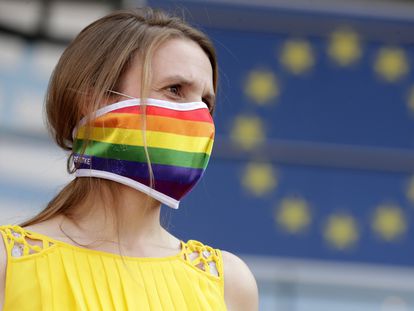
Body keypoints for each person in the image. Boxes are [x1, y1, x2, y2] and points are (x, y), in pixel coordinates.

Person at [0, 7, 258, 311]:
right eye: (175, 90)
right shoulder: (9, 266)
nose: (199, 117)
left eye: (206, 102)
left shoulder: (229, 284)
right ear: (92, 100)